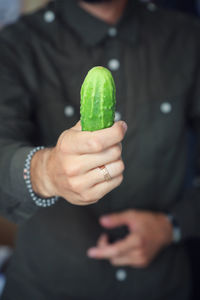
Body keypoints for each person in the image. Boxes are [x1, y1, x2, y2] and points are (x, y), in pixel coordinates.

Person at [0, 0, 200, 299]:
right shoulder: (15, 44)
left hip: (160, 286)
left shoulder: (187, 37)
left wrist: (174, 225)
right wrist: (45, 172)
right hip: (48, 286)